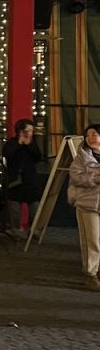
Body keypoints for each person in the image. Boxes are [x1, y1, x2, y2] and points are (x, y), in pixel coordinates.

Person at [67, 123, 100, 291]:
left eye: (95, 134)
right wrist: (95, 178)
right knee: (91, 240)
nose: (92, 138)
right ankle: (90, 274)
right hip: (88, 203)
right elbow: (76, 177)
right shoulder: (81, 157)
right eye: (89, 135)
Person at [2, 118, 42, 238]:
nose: (29, 133)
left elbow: (38, 157)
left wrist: (29, 144)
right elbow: (7, 154)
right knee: (14, 207)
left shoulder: (32, 144)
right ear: (19, 131)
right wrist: (19, 143)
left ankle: (33, 230)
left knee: (34, 206)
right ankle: (15, 230)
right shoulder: (11, 142)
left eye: (31, 131)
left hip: (30, 180)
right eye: (27, 130)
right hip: (15, 180)